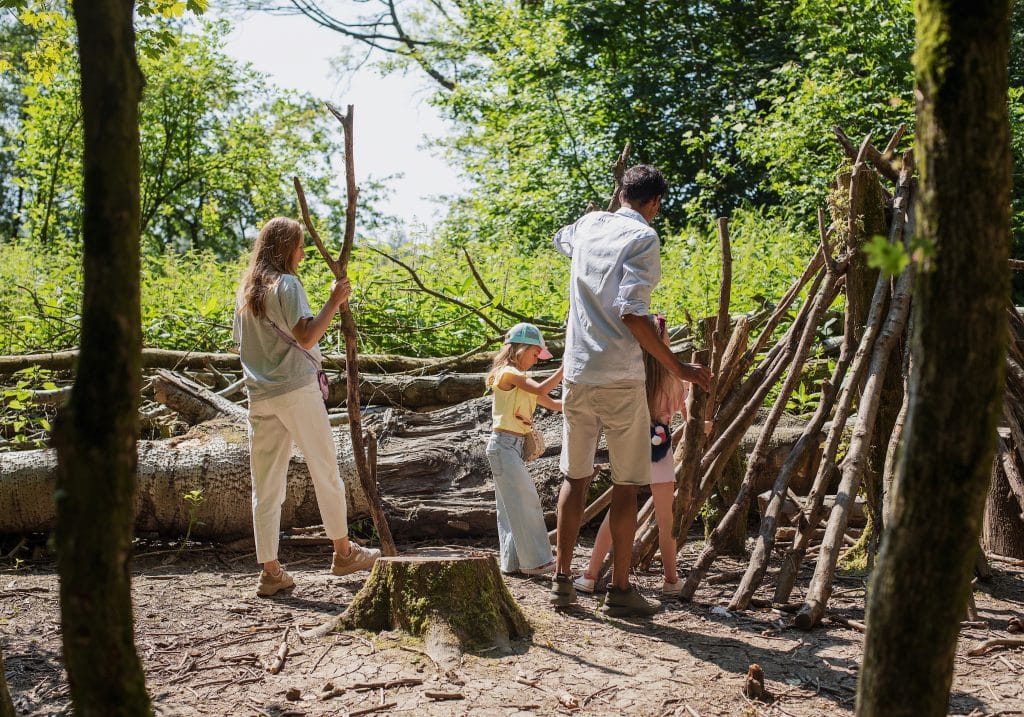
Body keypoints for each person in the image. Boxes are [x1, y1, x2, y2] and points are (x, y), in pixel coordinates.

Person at [551, 165, 712, 617]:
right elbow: (632, 313)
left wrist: (598, 221)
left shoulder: (586, 227)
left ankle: (562, 583)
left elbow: (560, 238)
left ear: (620, 192)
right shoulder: (644, 240)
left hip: (578, 373)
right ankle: (619, 589)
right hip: (620, 377)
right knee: (626, 486)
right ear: (655, 203)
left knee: (574, 478)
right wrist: (677, 365)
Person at [233, 216, 380, 598]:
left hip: (260, 397)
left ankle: (270, 571)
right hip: (296, 390)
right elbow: (307, 334)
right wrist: (335, 299)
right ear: (285, 249)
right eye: (299, 246)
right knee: (325, 469)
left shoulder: (247, 293)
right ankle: (344, 552)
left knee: (266, 486)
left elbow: (243, 348)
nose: (302, 254)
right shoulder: (287, 284)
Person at [574, 314, 688, 597]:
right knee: (666, 519)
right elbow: (686, 411)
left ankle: (589, 575)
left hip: (630, 445)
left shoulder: (629, 374)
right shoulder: (673, 378)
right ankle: (671, 579)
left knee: (617, 512)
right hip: (661, 450)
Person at [485, 323, 564, 576]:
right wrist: (565, 369)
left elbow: (552, 403)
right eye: (534, 354)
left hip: (512, 448)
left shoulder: (522, 380)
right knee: (526, 500)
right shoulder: (509, 373)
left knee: (510, 507)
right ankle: (537, 561)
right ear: (522, 348)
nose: (535, 361)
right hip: (503, 446)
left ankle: (513, 563)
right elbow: (541, 389)